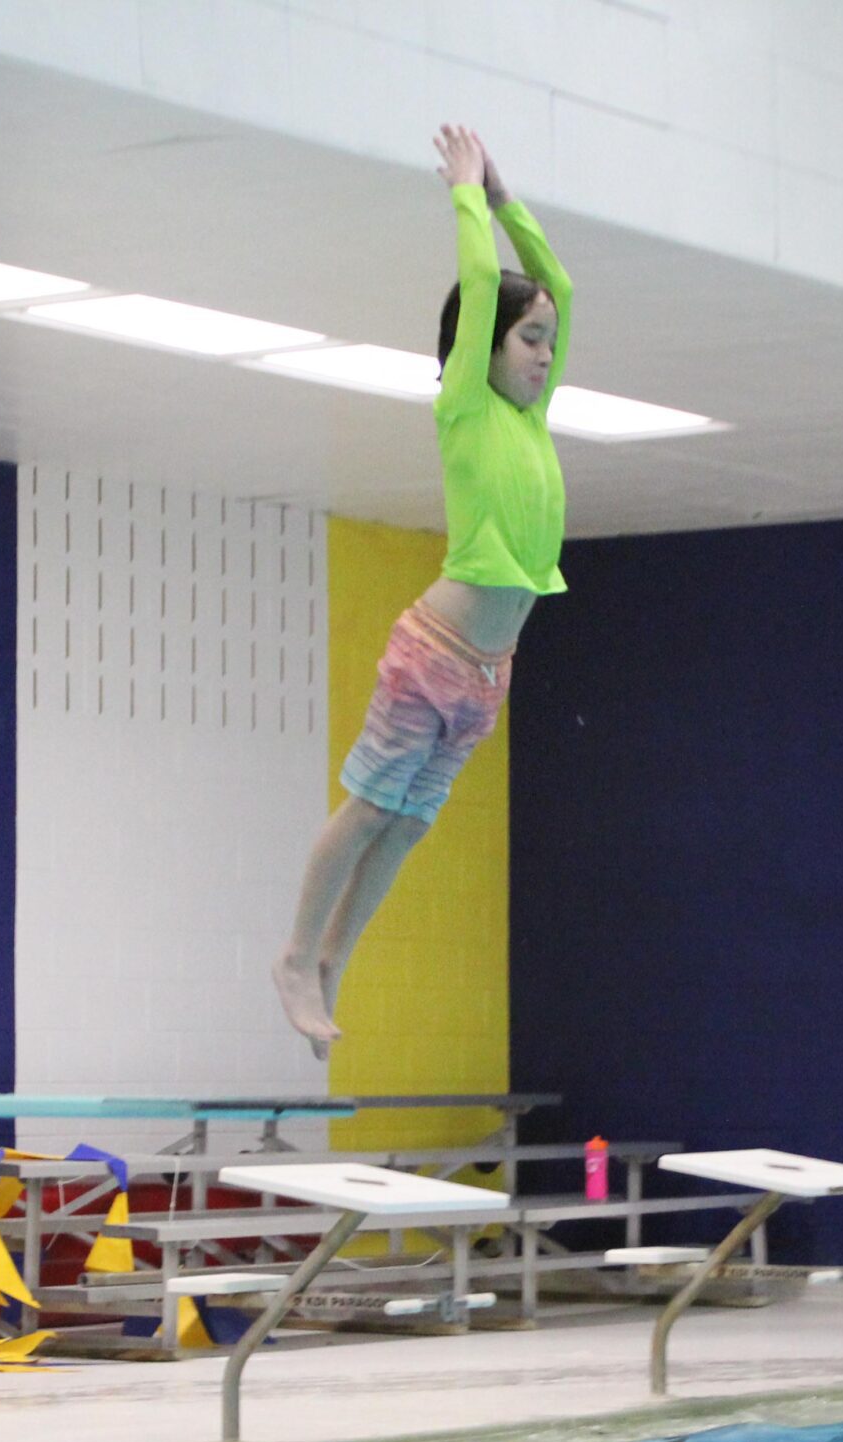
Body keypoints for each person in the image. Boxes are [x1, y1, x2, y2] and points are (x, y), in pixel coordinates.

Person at [273, 123, 571, 1056]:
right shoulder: (468, 408)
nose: (543, 354)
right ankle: (292, 956)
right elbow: (489, 287)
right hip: (434, 655)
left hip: (488, 673)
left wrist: (515, 203)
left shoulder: (534, 422)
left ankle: (332, 965)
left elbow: (557, 287)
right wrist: (470, 198)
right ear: (484, 345)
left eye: (549, 346)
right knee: (368, 810)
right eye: (529, 340)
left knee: (404, 830)